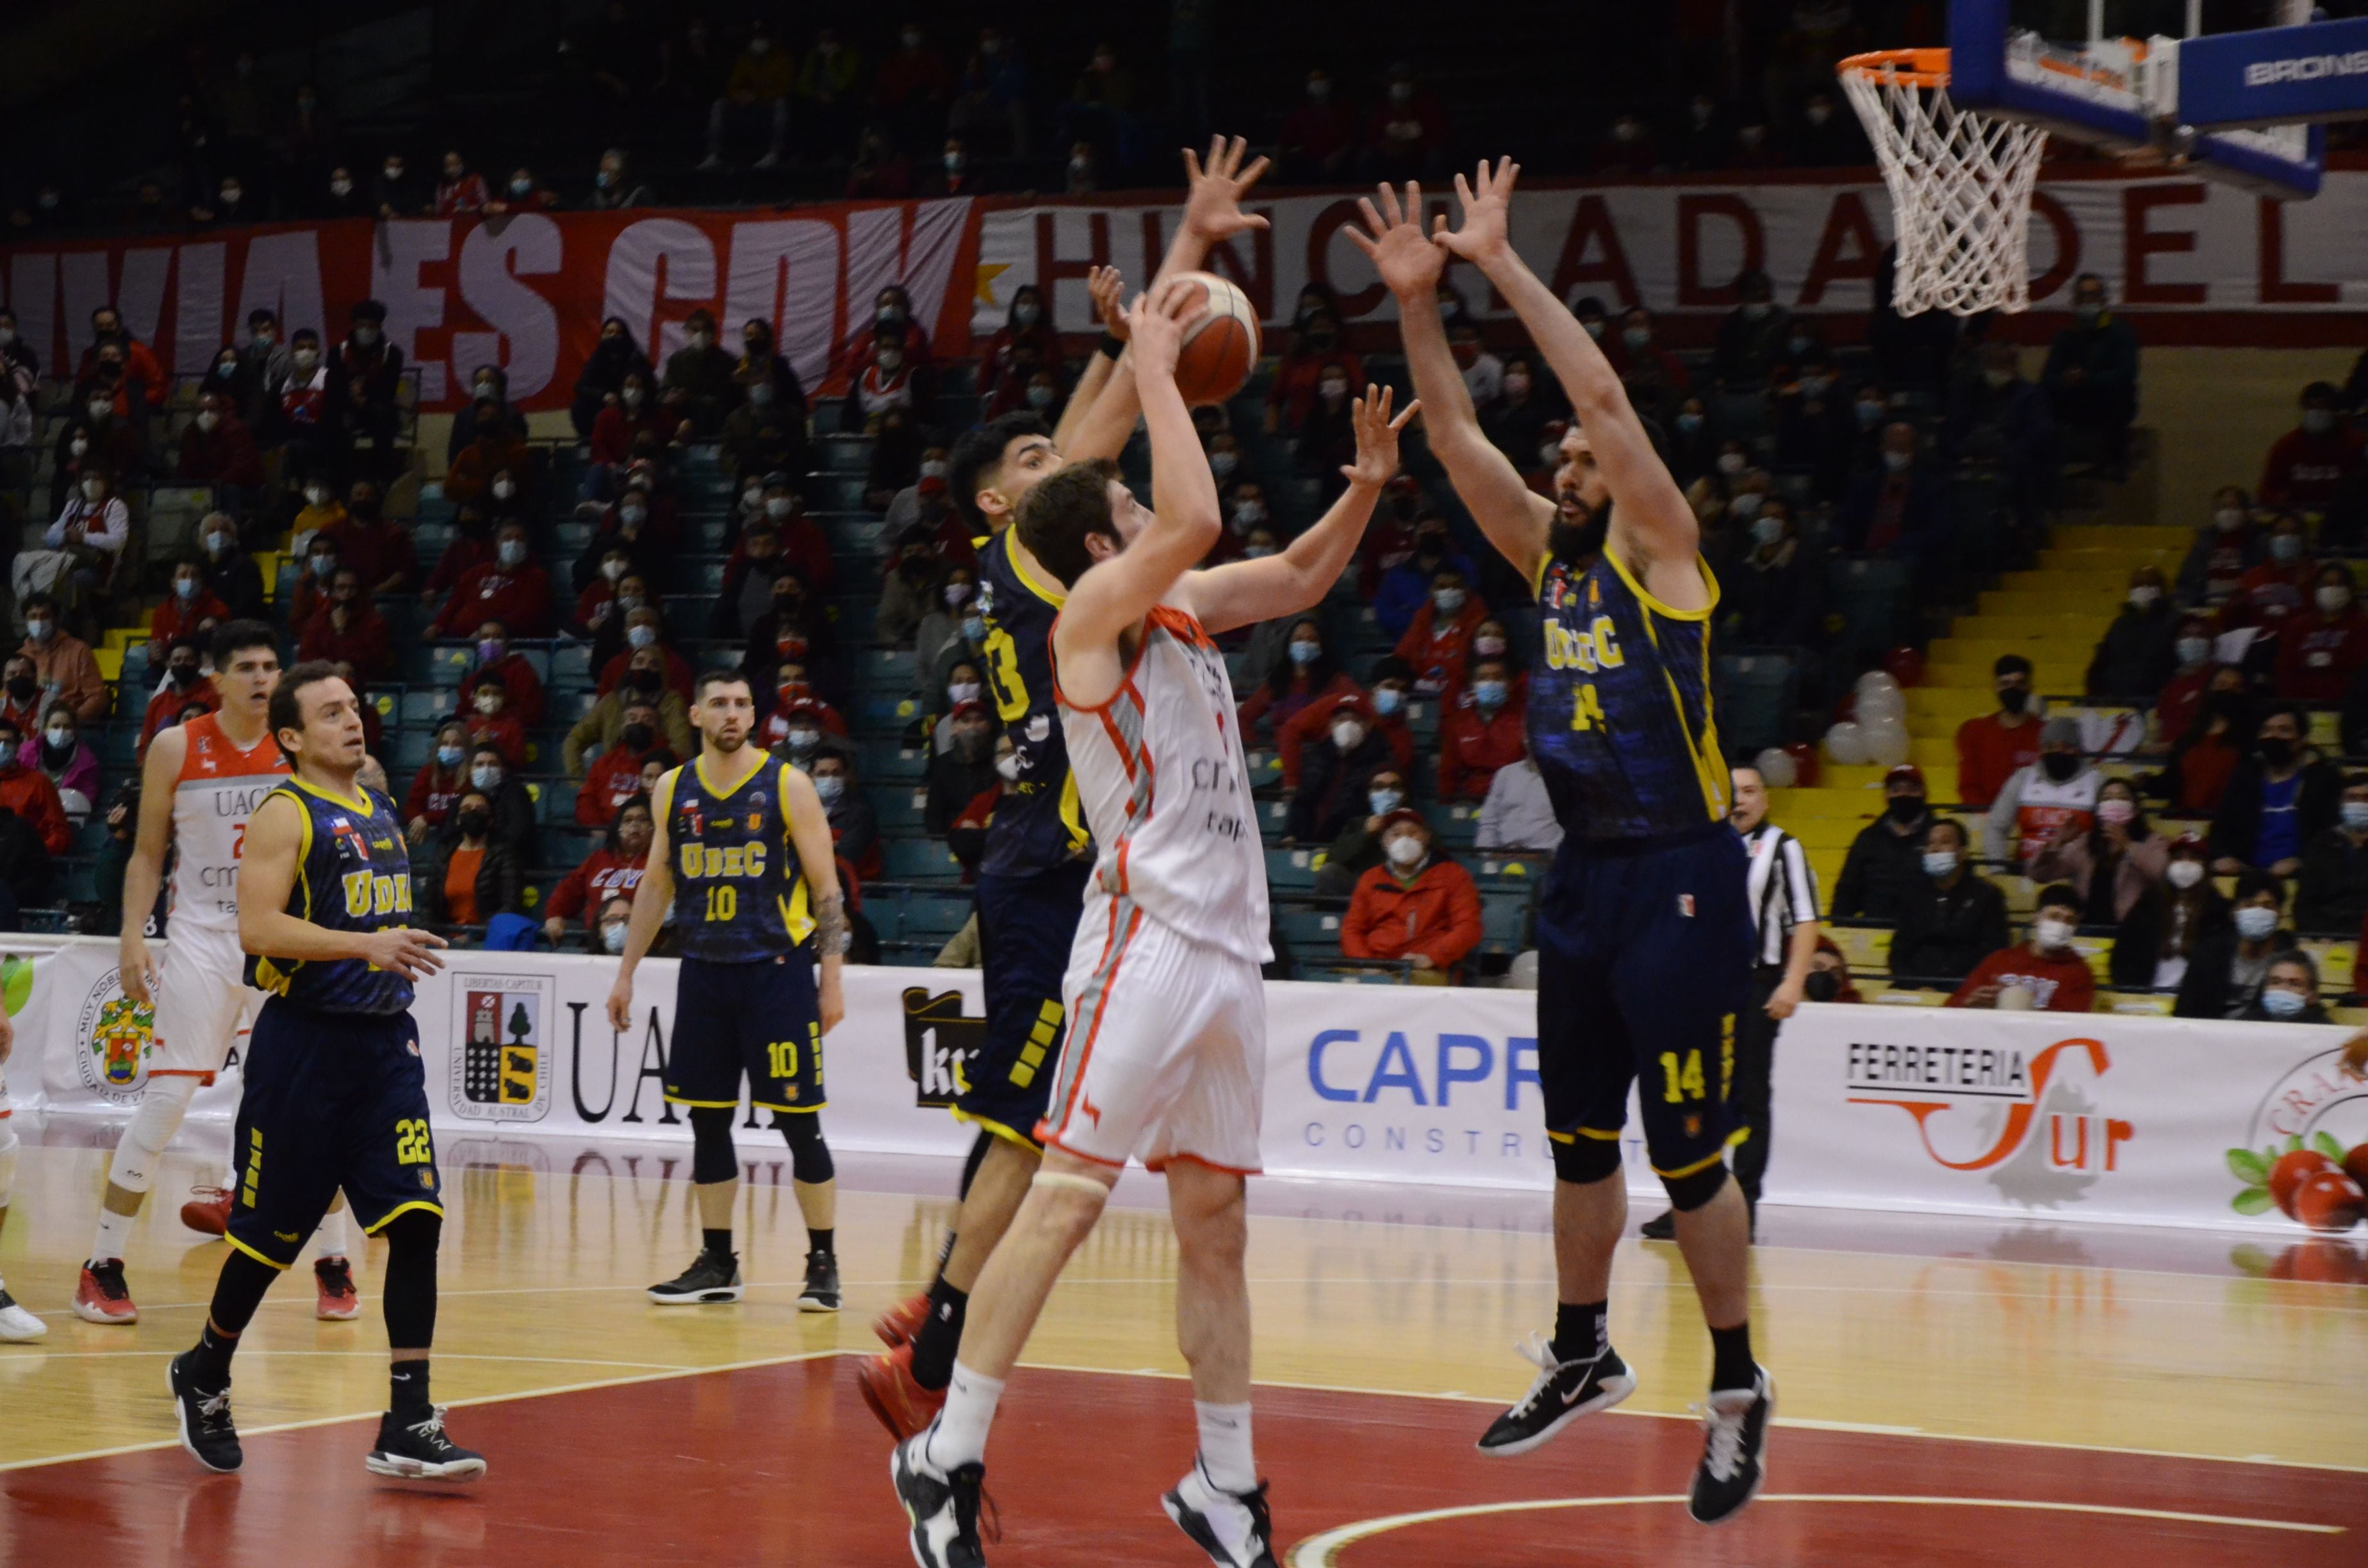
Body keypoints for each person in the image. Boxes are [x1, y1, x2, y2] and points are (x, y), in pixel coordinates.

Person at [887, 273, 1408, 1568]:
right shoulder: (1091, 618)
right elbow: (1202, 510)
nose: (1145, 513)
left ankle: (1225, 1486)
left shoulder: (1175, 600)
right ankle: (942, 1458)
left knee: (1216, 1226)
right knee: (1065, 1201)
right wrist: (1159, 365)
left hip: (1233, 948)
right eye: (1125, 508)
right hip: (1144, 938)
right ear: (1100, 544)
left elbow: (1288, 574)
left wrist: (1365, 487)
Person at [1361, 167, 1768, 1519]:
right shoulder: (1553, 559)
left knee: (1692, 1154)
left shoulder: (1668, 556)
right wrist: (1423, 304)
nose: (1570, 467)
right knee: (1580, 1146)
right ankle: (1584, 1349)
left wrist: (1502, 264)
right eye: (1569, 468)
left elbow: (1599, 399)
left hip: (1685, 875)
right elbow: (1461, 438)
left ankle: (1735, 1386)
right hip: (1587, 878)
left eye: (1588, 463)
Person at [858, 142, 1273, 1452]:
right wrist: (1185, 265)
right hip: (1067, 863)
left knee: (1027, 1126)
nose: (1065, 453)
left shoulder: (1029, 555)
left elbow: (1105, 435)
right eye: (1036, 451)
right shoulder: (1044, 559)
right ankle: (937, 1358)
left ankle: (938, 1315)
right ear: (1000, 498)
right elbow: (1109, 437)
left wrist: (1181, 274)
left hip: (1058, 857)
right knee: (1037, 1136)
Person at [168, 661, 482, 1480]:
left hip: (384, 1049)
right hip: (303, 1052)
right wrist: (365, 945)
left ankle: (408, 1417)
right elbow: (259, 928)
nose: (354, 721)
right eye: (332, 713)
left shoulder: (378, 806)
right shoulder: (284, 813)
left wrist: (385, 949)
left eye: (355, 706)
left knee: (416, 1220)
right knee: (268, 1240)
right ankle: (204, 1372)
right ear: (293, 738)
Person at [78, 625, 358, 1324]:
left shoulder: (298, 746)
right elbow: (146, 855)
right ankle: (102, 1264)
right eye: (248, 668)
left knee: (310, 1102)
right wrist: (132, 939)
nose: (263, 678)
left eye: (272, 666)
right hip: (202, 938)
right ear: (215, 677)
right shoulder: (177, 745)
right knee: (168, 1101)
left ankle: (334, 1259)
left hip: (280, 943)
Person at [606, 671, 846, 1312]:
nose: (733, 713)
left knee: (800, 1124)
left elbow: (827, 891)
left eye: (743, 702)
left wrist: (832, 980)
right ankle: (718, 1260)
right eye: (720, 703)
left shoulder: (787, 785)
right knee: (706, 1123)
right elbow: (656, 884)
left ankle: (822, 1260)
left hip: (776, 972)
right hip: (705, 972)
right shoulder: (671, 789)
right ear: (696, 714)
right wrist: (626, 971)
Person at [1640, 763, 1816, 1239]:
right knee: (1695, 1096)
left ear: (1765, 799)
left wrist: (1793, 981)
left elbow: (1805, 919)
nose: (1741, 801)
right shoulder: (1697, 849)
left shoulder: (1784, 847)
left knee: (1749, 1096)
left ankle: (1745, 1208)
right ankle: (1691, 1206)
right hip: (1699, 987)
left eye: (1751, 792)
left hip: (1756, 985)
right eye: (1733, 792)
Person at [1340, 809, 1483, 981]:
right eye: (1396, 834)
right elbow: (1351, 929)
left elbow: (1468, 927)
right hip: (1374, 965)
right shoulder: (1370, 878)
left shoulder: (1454, 875)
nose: (1404, 840)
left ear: (1426, 837)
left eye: (1413, 832)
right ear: (1384, 842)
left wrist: (1433, 957)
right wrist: (1366, 964)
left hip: (1426, 967)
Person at [2210, 704, 2341, 877]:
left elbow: (2332, 833)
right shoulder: (2244, 778)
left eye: (2284, 730)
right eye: (2267, 730)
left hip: (2305, 874)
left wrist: (2302, 861)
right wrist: (2222, 856)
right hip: (2246, 874)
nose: (2273, 736)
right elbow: (2221, 827)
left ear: (2302, 738)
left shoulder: (2324, 779)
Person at [2030, 776, 2165, 935]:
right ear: (2099, 809)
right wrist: (2058, 842)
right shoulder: (2085, 843)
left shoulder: (2153, 842)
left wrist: (2128, 845)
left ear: (2135, 809)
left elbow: (2161, 873)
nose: (2114, 803)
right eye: (2107, 799)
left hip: (2131, 932)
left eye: (2122, 798)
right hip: (2085, 929)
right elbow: (2039, 874)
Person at [1890, 818, 2008, 988]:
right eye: (1930, 844)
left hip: (1967, 988)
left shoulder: (1987, 895)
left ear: (1963, 853)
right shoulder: (1913, 895)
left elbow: (1995, 952)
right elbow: (1899, 952)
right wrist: (1917, 987)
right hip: (1917, 988)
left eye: (1945, 842)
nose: (1935, 849)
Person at [2042, 274, 2139, 473]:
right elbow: (2046, 380)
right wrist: (2065, 380)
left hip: (2109, 411)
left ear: (2103, 300)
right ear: (2074, 302)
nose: (2087, 301)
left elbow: (2126, 375)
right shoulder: (2066, 337)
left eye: (2092, 296)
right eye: (2082, 297)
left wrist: (2089, 379)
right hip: (2071, 411)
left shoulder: (2120, 334)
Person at [1948, 884, 2096, 1013]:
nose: (2061, 925)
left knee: (2015, 997)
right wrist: (1969, 1003)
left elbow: (2071, 1025)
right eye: (2054, 917)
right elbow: (1949, 1008)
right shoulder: (2000, 960)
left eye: (2069, 921)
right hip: (1989, 1039)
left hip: (2039, 1042)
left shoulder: (2078, 973)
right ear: (2036, 918)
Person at [2113, 831, 2228, 992]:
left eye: (2194, 858)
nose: (2185, 864)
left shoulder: (2218, 910)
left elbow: (2221, 962)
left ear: (2205, 866)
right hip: (2146, 1000)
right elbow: (2123, 955)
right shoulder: (2148, 905)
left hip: (2192, 1003)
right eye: (2179, 858)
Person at [1984, 716, 2101, 872]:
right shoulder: (2023, 778)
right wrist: (1998, 871)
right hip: (2026, 872)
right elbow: (1996, 827)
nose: (2058, 752)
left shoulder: (2097, 781)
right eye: (2050, 747)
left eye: (2067, 747)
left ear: (2078, 749)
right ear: (2041, 750)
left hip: (2076, 875)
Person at [2174, 869, 2294, 1019]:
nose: (2258, 912)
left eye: (2267, 906)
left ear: (2280, 914)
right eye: (2249, 905)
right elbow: (2184, 1011)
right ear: (2234, 912)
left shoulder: (2291, 962)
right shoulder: (2208, 955)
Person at [1284, 696, 1396, 845]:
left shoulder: (1380, 763)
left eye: (1355, 720)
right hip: (1307, 841)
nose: (1347, 725)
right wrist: (1291, 833)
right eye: (1341, 720)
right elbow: (1302, 800)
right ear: (1331, 725)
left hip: (1349, 843)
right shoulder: (1318, 755)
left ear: (1368, 725)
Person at [1829, 763, 1932, 922]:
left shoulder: (1938, 836)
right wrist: (1840, 929)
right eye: (1896, 790)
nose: (1904, 795)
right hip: (1875, 930)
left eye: (1912, 789)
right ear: (1886, 796)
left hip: (1926, 934)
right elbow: (1848, 890)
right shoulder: (1868, 838)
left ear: (1924, 793)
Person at [546, 794, 654, 945]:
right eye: (628, 820)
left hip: (644, 944)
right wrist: (555, 915)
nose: (635, 825)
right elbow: (570, 888)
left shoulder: (660, 861)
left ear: (653, 827)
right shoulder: (599, 859)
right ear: (618, 827)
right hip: (595, 942)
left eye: (643, 820)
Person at [420, 790, 523, 930]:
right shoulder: (444, 853)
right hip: (445, 937)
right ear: (457, 819)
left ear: (490, 820)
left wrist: (475, 934)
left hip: (486, 938)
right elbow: (430, 905)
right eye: (467, 809)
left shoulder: (504, 854)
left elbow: (510, 905)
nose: (474, 813)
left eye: (481, 810)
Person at [2259, 382, 2364, 514]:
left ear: (2335, 411)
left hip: (2345, 516)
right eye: (2310, 408)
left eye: (2322, 407)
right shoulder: (2287, 445)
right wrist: (2282, 505)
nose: (2315, 413)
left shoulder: (2355, 444)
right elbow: (2268, 490)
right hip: (2298, 517)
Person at [1953, 654, 2041, 810]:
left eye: (2019, 683)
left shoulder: (2044, 733)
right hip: (1984, 818)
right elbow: (1968, 786)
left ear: (2029, 687)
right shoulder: (1975, 732)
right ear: (1996, 687)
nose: (2012, 689)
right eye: (2005, 683)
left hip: (2032, 818)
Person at [2275, 561, 2368, 703]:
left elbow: (2361, 671)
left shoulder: (2362, 625)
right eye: (2326, 584)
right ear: (2316, 589)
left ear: (2350, 590)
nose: (2332, 589)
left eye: (2339, 584)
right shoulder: (2297, 627)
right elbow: (2286, 670)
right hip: (2301, 706)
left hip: (2349, 706)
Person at [1437, 655, 1525, 800]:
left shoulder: (1524, 720)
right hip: (1471, 799)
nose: (1490, 683)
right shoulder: (1458, 722)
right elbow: (1448, 772)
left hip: (1516, 799)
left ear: (1509, 684)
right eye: (1483, 678)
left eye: (1498, 678)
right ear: (1473, 685)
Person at [2085, 566, 2177, 701]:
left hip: (2155, 702)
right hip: (2117, 702)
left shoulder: (2173, 622)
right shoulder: (2119, 625)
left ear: (2162, 590)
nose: (2144, 589)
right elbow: (2100, 664)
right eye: (2139, 585)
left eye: (2150, 585)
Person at [2296, 772, 2368, 933]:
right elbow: (2306, 903)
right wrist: (2318, 934)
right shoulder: (2322, 844)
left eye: (2366, 798)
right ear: (2341, 803)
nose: (2360, 804)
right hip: (2325, 934)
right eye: (2353, 798)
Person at [1476, 746, 1561, 853]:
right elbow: (1489, 821)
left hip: (1546, 858)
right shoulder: (1506, 773)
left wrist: (1549, 856)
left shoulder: (1568, 778)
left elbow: (1573, 831)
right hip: (1503, 856)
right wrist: (1489, 854)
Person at [26, 706, 99, 821]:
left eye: (67, 727)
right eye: (55, 726)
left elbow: (84, 800)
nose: (61, 731)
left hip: (63, 819)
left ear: (74, 730)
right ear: (46, 729)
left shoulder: (87, 763)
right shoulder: (26, 752)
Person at [2242, 951, 2331, 1024]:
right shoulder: (2243, 1025)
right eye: (2275, 982)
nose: (2283, 989)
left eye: (2295, 984)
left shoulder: (2326, 1032)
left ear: (2312, 995)